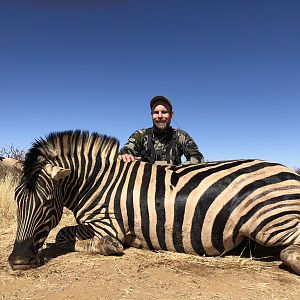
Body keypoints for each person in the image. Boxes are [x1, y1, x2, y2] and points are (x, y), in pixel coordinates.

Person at [118, 96, 204, 165]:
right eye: (156, 112)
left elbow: (197, 157)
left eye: (164, 112)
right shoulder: (140, 135)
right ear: (151, 115)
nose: (159, 116)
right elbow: (126, 150)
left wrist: (181, 170)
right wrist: (126, 154)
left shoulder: (181, 136)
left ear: (171, 115)